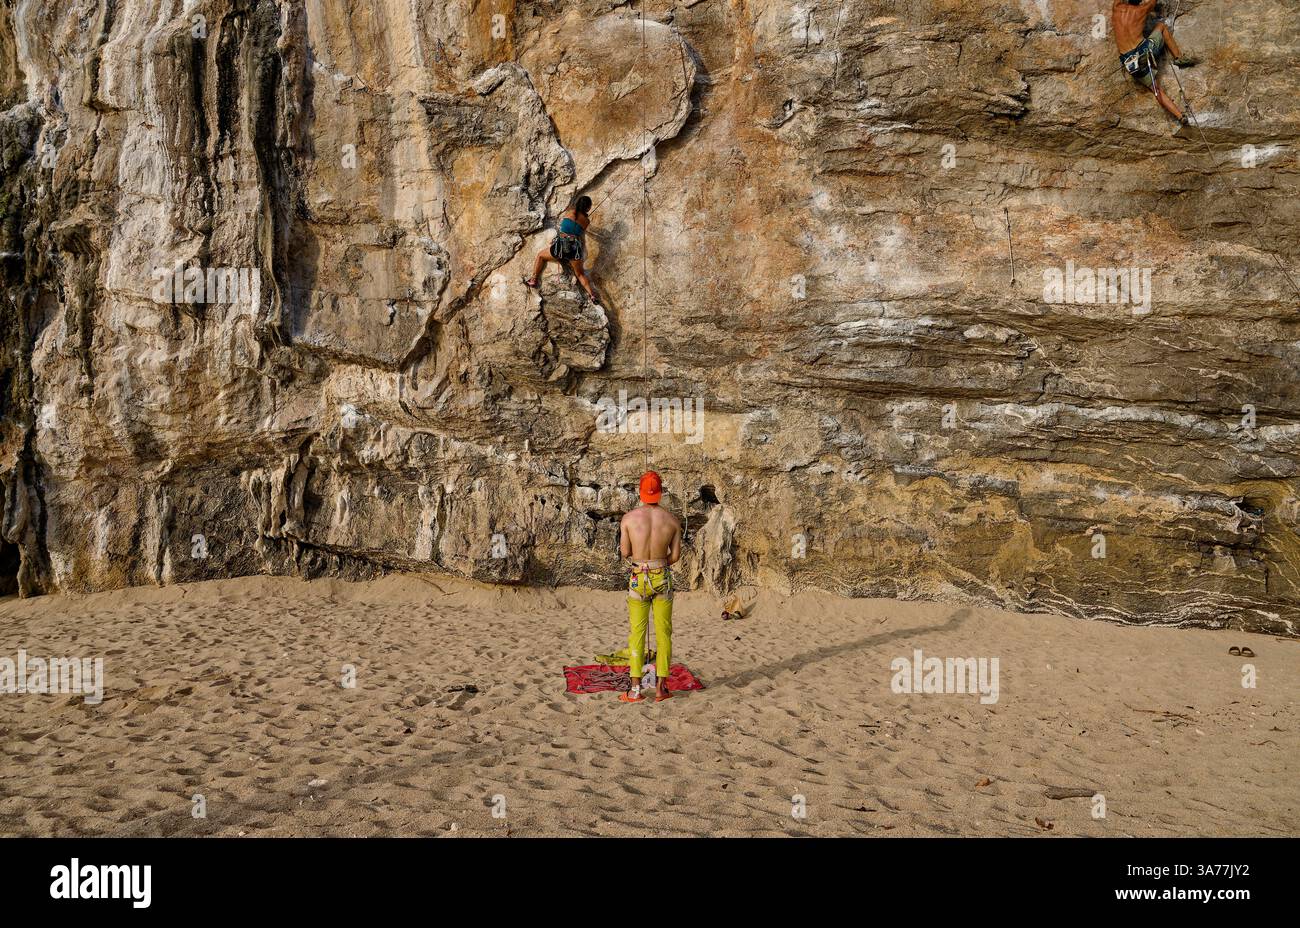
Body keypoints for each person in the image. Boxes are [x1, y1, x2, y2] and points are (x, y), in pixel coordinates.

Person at [618, 471, 682, 703]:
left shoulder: (628, 519)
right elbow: (674, 556)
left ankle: (635, 690)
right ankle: (661, 688)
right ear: (661, 493)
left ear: (640, 492)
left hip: (638, 578)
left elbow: (625, 552)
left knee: (637, 633)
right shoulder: (672, 521)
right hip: (662, 576)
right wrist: (658, 561)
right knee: (664, 633)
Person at [1113, 0, 1199, 130]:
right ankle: (1178, 58)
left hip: (1131, 63)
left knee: (1156, 90)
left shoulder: (1116, 8)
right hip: (1144, 52)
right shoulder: (1142, 9)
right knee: (1161, 27)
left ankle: (1180, 116)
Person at [525, 195, 602, 305]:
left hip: (560, 247)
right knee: (580, 274)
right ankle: (592, 295)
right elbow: (580, 230)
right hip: (573, 250)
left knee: (540, 256)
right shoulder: (586, 221)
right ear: (588, 208)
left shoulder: (569, 212)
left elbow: (566, 226)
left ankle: (533, 279)